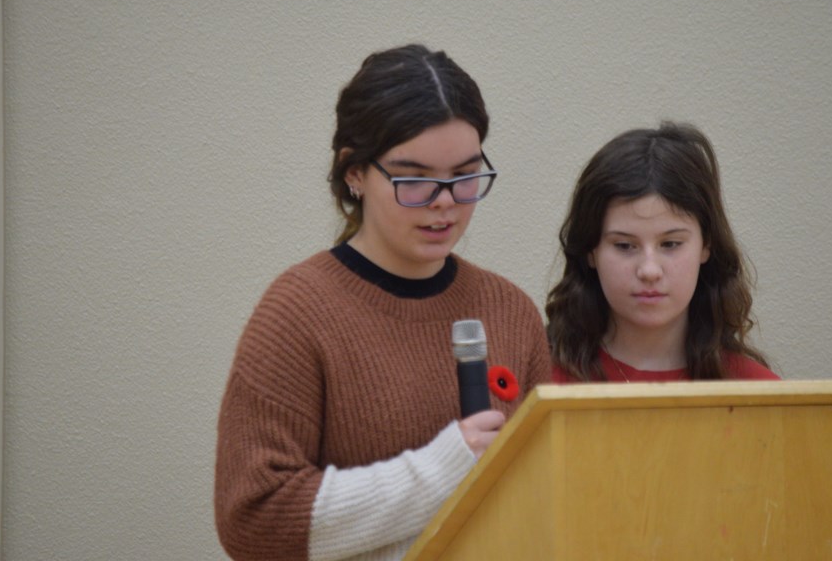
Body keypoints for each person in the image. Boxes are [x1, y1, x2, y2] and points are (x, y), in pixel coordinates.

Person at [214, 44, 552, 561]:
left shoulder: (511, 311)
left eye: (464, 176)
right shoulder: (296, 314)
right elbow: (254, 520)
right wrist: (443, 468)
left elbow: (545, 494)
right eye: (415, 180)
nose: (444, 202)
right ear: (354, 172)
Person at [547, 123, 779, 383]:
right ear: (590, 250)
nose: (649, 270)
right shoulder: (537, 380)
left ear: (706, 245)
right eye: (625, 246)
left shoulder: (758, 394)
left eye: (670, 244)